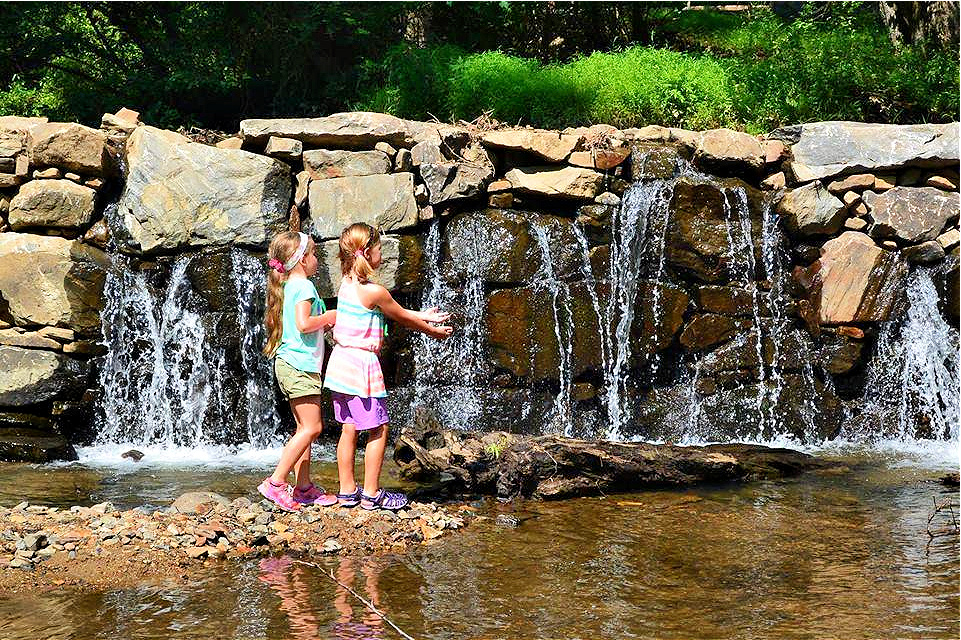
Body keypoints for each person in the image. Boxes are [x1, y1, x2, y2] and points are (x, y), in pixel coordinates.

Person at [324, 222, 452, 511]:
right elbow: (400, 316)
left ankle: (347, 491)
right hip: (361, 369)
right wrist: (431, 330)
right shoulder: (374, 291)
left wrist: (424, 314)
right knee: (378, 428)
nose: (383, 253)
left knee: (348, 429)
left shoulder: (346, 282)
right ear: (368, 253)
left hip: (340, 365)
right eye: (380, 248)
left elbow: (394, 309)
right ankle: (371, 493)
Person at [259, 230, 338, 512]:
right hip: (299, 365)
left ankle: (303, 487)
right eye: (314, 254)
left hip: (292, 364)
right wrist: (328, 317)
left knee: (304, 429)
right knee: (313, 427)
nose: (317, 259)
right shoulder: (304, 287)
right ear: (302, 260)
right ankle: (276, 482)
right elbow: (304, 324)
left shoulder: (289, 287)